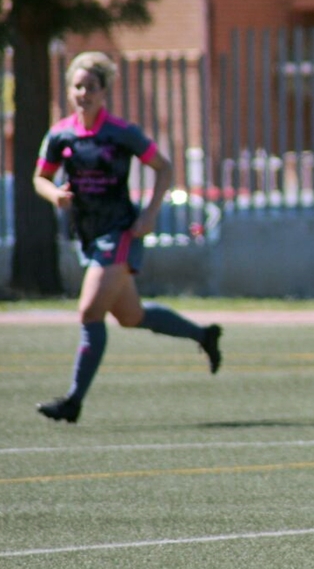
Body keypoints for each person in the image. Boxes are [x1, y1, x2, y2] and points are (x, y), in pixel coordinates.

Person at [32, 51, 222, 424]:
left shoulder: (121, 132)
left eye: (90, 86)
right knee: (131, 316)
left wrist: (150, 214)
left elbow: (164, 169)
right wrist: (54, 194)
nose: (83, 93)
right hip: (89, 235)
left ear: (104, 92)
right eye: (77, 86)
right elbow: (40, 177)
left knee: (89, 312)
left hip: (120, 232)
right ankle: (204, 335)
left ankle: (73, 402)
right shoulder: (61, 134)